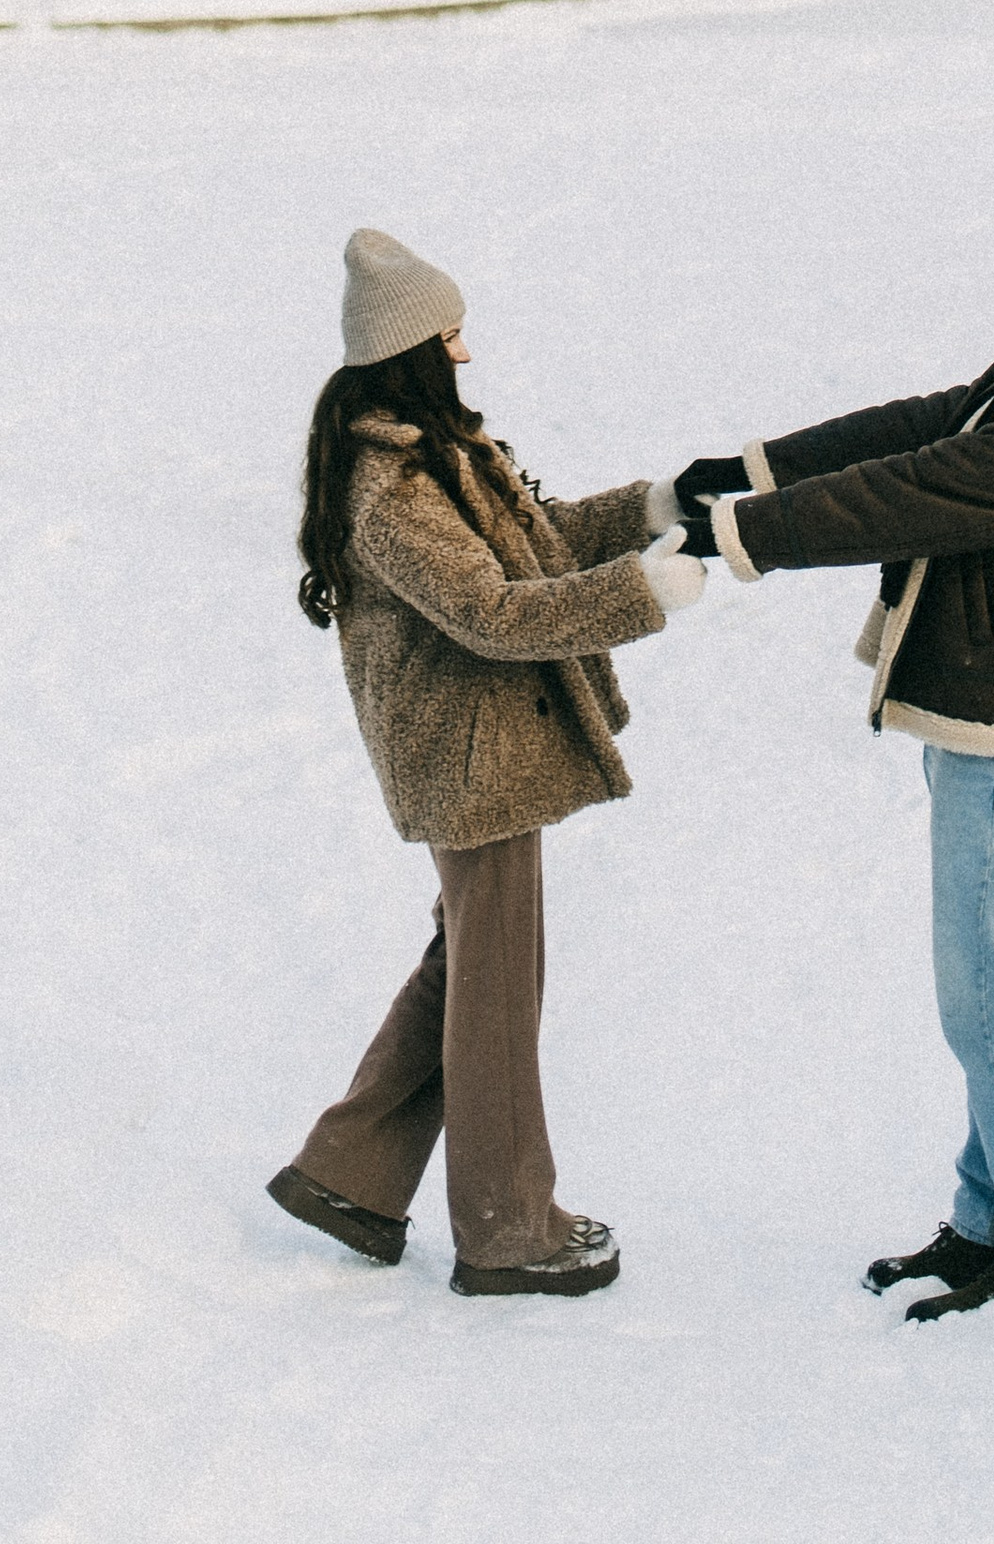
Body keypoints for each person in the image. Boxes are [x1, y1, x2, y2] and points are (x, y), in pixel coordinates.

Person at [670, 173, 994, 1321]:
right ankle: (985, 1221)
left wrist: (743, 533)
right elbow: (918, 428)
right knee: (990, 999)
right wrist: (750, 471)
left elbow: (912, 493)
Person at [269, 225, 702, 1299]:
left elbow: (535, 540)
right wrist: (649, 593)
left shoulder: (433, 454)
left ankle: (348, 1175)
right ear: (411, 350)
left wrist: (648, 509)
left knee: (467, 966)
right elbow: (493, 612)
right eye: (452, 336)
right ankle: (508, 1230)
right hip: (470, 762)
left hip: (482, 748)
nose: (467, 354)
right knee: (499, 990)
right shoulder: (393, 489)